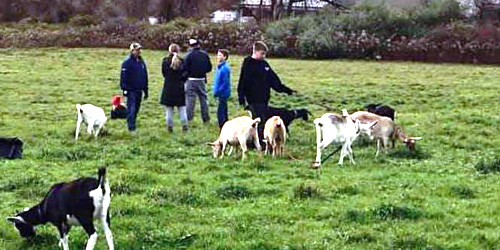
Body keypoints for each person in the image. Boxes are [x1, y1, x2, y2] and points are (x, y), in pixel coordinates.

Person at [237, 41, 296, 145]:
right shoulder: (248, 64)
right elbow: (242, 81)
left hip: (264, 99)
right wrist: (241, 97)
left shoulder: (265, 65)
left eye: (265, 54)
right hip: (253, 99)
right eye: (262, 53)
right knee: (259, 121)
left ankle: (262, 140)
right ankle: (258, 143)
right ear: (255, 51)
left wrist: (287, 90)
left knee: (264, 119)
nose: (264, 56)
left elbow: (274, 81)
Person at [120, 42, 148, 132]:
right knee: (131, 109)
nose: (139, 52)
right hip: (131, 90)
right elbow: (123, 77)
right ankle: (131, 127)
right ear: (132, 51)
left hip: (139, 89)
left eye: (139, 50)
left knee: (136, 109)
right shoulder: (127, 63)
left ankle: (133, 123)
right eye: (137, 50)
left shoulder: (141, 62)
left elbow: (145, 75)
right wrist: (124, 89)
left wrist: (145, 89)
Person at [160, 43, 189, 132]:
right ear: (178, 50)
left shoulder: (165, 61)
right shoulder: (182, 61)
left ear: (169, 51)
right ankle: (184, 126)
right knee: (182, 109)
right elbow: (186, 74)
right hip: (179, 88)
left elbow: (164, 74)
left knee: (169, 110)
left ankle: (170, 127)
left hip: (168, 88)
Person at [184, 38, 212, 123]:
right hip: (202, 79)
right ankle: (206, 118)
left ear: (190, 46)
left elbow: (185, 68)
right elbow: (209, 68)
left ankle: (189, 119)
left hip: (191, 80)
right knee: (203, 99)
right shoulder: (205, 55)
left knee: (190, 100)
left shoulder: (188, 55)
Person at [212, 49, 231, 129]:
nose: (218, 57)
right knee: (223, 110)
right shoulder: (219, 67)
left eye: (220, 55)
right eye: (218, 55)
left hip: (222, 93)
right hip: (221, 92)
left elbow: (224, 83)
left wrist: (217, 92)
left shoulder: (224, 69)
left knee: (221, 111)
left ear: (225, 57)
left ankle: (222, 126)